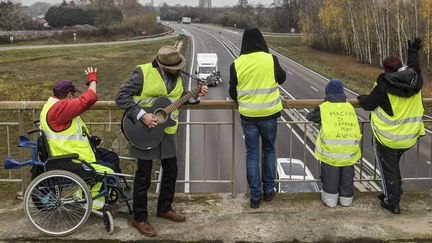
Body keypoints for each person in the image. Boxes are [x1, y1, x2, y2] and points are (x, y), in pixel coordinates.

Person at [115, 45, 208, 237]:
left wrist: (194, 96)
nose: (179, 69)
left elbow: (175, 100)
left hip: (166, 131)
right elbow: (121, 96)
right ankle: (140, 218)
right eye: (175, 67)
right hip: (143, 131)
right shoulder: (142, 73)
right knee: (143, 177)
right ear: (163, 65)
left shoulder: (177, 77)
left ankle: (165, 208)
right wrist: (142, 115)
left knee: (171, 171)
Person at [357, 38, 425, 214]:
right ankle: (395, 191)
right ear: (401, 68)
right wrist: (413, 52)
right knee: (393, 166)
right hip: (410, 136)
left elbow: (368, 104)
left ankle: (392, 202)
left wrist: (361, 97)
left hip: (387, 138)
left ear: (386, 70)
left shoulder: (383, 85)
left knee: (388, 169)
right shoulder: (415, 80)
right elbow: (415, 68)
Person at [39, 67, 117, 210]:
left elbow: (69, 132)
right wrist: (92, 79)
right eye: (73, 95)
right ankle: (94, 203)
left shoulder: (51, 106)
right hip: (72, 159)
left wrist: (91, 139)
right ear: (69, 95)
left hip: (68, 154)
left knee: (112, 157)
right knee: (111, 170)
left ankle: (89, 193)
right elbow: (90, 98)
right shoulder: (60, 108)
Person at [229, 28, 286, 209]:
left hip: (249, 116)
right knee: (269, 151)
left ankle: (255, 197)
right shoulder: (270, 59)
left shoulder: (237, 64)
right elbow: (282, 78)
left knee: (252, 155)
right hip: (269, 115)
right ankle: (269, 191)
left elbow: (232, 92)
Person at [306, 80, 362, 208]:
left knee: (331, 177)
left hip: (331, 152)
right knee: (347, 176)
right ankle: (346, 200)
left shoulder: (324, 108)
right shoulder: (350, 107)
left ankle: (330, 200)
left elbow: (310, 116)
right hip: (349, 151)